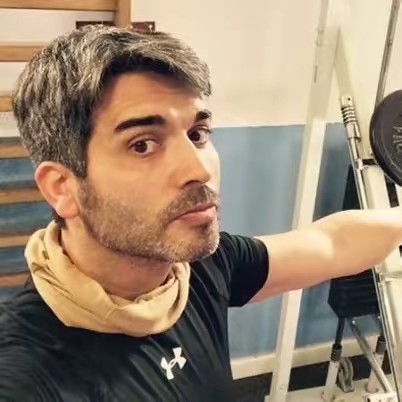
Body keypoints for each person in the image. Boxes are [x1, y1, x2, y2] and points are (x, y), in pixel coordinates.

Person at [0, 25, 401, 402]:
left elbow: (332, 243)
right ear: (62, 187)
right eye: (142, 144)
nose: (199, 169)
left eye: (197, 134)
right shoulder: (26, 377)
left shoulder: (198, 268)